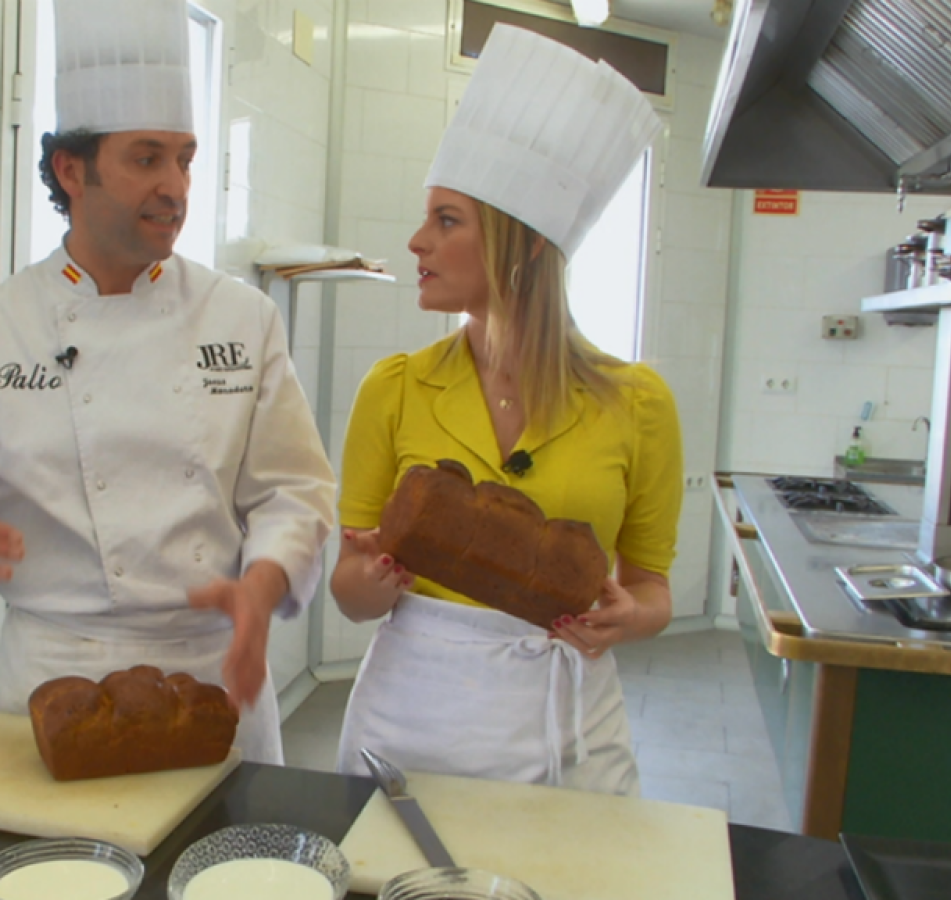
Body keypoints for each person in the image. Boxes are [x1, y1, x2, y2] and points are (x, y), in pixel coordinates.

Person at [0, 0, 334, 765]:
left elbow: (294, 492)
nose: (176, 186)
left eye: (185, 158)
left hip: (215, 677)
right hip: (56, 689)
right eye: (147, 159)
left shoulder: (242, 319)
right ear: (69, 170)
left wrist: (263, 584)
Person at [329, 24, 681, 795]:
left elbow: (652, 588)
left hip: (569, 725)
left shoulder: (638, 403)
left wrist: (631, 618)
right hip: (412, 720)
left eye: (447, 220)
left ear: (521, 246)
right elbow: (349, 590)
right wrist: (374, 582)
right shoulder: (392, 388)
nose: (417, 241)